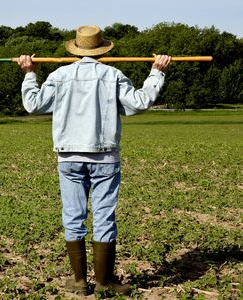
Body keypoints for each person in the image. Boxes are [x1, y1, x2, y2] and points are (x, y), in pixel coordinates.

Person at [16, 25, 171, 296]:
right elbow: (139, 102)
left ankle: (79, 282)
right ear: (102, 49)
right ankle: (104, 282)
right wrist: (157, 72)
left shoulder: (60, 75)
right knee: (104, 217)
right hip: (105, 158)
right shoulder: (113, 75)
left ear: (75, 48)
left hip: (69, 157)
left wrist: (29, 74)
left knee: (73, 217)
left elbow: (33, 104)